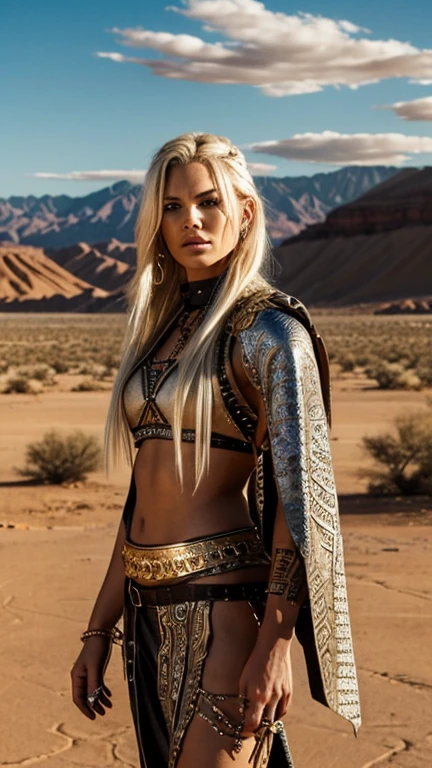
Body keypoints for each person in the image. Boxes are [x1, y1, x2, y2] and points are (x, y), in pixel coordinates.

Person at [71, 133, 361, 768]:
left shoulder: (271, 334)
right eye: (171, 207)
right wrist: (99, 628)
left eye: (207, 202)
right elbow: (141, 500)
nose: (190, 221)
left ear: (246, 211)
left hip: (223, 614)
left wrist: (276, 646)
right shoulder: (161, 332)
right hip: (143, 617)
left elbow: (301, 499)